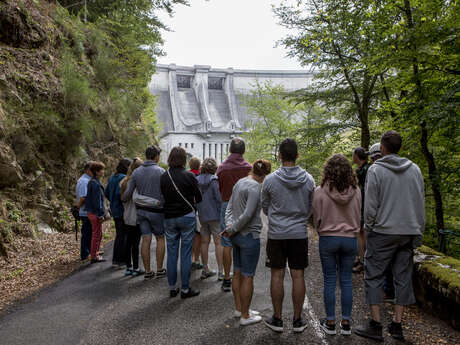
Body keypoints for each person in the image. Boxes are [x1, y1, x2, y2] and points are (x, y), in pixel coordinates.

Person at [355, 131, 425, 342]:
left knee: (374, 275)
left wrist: (369, 227)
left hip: (383, 231)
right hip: (408, 231)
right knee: (402, 278)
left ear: (383, 149)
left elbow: (371, 205)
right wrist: (418, 231)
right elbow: (419, 203)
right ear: (399, 148)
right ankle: (397, 324)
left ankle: (376, 325)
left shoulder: (376, 170)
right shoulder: (415, 169)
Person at [261, 138, 315, 333]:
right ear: (297, 156)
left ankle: (277, 319)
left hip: (277, 233)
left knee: (277, 274)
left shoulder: (270, 180)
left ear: (280, 156)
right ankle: (298, 320)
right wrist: (300, 218)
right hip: (299, 233)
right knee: (298, 275)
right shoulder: (308, 179)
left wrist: (276, 217)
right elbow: (311, 207)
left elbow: (265, 205)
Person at [312, 154, 361, 336]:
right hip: (349, 239)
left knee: (330, 280)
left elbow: (316, 217)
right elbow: (358, 215)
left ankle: (331, 321)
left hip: (328, 238)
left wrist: (322, 230)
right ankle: (346, 323)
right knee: (346, 280)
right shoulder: (357, 191)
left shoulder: (319, 191)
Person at [223, 159, 271, 326]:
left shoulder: (240, 182)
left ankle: (239, 309)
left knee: (237, 272)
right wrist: (233, 228)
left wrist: (229, 226)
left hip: (235, 236)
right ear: (265, 174)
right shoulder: (255, 187)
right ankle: (245, 315)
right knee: (248, 275)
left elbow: (229, 207)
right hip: (249, 236)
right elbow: (248, 215)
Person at [160, 147, 203, 299]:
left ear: (170, 158)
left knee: (171, 253)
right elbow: (199, 198)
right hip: (187, 216)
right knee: (185, 253)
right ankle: (185, 289)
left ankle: (172, 288)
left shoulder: (164, 176)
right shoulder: (189, 176)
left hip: (169, 217)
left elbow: (162, 197)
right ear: (184, 159)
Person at [123, 145, 166, 280]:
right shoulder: (161, 172)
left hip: (141, 211)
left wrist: (122, 199)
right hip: (157, 211)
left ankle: (148, 271)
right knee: (160, 238)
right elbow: (166, 193)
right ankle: (159, 269)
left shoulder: (136, 172)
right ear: (156, 156)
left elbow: (128, 194)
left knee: (145, 239)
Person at [217, 138, 252, 290]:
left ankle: (226, 278)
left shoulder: (222, 168)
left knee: (227, 243)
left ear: (230, 150)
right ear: (243, 151)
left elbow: (218, 188)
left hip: (227, 205)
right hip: (244, 206)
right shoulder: (249, 168)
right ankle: (245, 277)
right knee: (245, 240)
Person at [196, 158, 223, 279]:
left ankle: (205, 269)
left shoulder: (196, 180)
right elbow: (218, 198)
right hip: (215, 216)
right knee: (218, 243)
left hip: (202, 215)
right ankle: (221, 272)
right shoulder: (214, 180)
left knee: (204, 242)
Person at [105, 158, 131, 268]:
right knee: (123, 235)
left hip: (114, 209)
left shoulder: (112, 177)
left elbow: (106, 192)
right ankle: (121, 261)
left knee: (119, 235)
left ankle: (116, 260)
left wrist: (112, 202)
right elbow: (119, 194)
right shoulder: (123, 178)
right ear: (126, 167)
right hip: (121, 209)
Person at [120, 158, 144, 277]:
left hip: (126, 215)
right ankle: (136, 267)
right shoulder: (137, 183)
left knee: (128, 242)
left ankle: (128, 267)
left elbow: (122, 199)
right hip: (136, 216)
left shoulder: (124, 181)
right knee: (135, 243)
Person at [85, 161, 107, 264]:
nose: (103, 172)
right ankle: (94, 256)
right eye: (101, 170)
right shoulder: (95, 184)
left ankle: (95, 252)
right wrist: (100, 214)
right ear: (97, 172)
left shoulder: (92, 181)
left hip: (91, 211)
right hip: (95, 212)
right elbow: (97, 201)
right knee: (96, 234)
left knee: (98, 233)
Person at [352, 147, 369, 274]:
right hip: (362, 205)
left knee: (360, 233)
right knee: (360, 233)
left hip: (363, 206)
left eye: (353, 155)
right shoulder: (364, 169)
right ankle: (361, 259)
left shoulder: (364, 170)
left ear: (357, 156)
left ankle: (363, 261)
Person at [75, 161, 94, 261]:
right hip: (85, 211)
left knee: (90, 232)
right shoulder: (84, 181)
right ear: (87, 170)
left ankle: (90, 251)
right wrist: (77, 207)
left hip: (87, 211)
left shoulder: (87, 180)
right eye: (92, 170)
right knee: (86, 233)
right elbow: (83, 197)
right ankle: (85, 254)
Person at [189, 156, 203, 270]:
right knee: (198, 236)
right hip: (198, 210)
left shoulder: (186, 175)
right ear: (199, 166)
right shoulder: (200, 177)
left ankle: (191, 258)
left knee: (189, 236)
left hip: (187, 209)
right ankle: (197, 259)